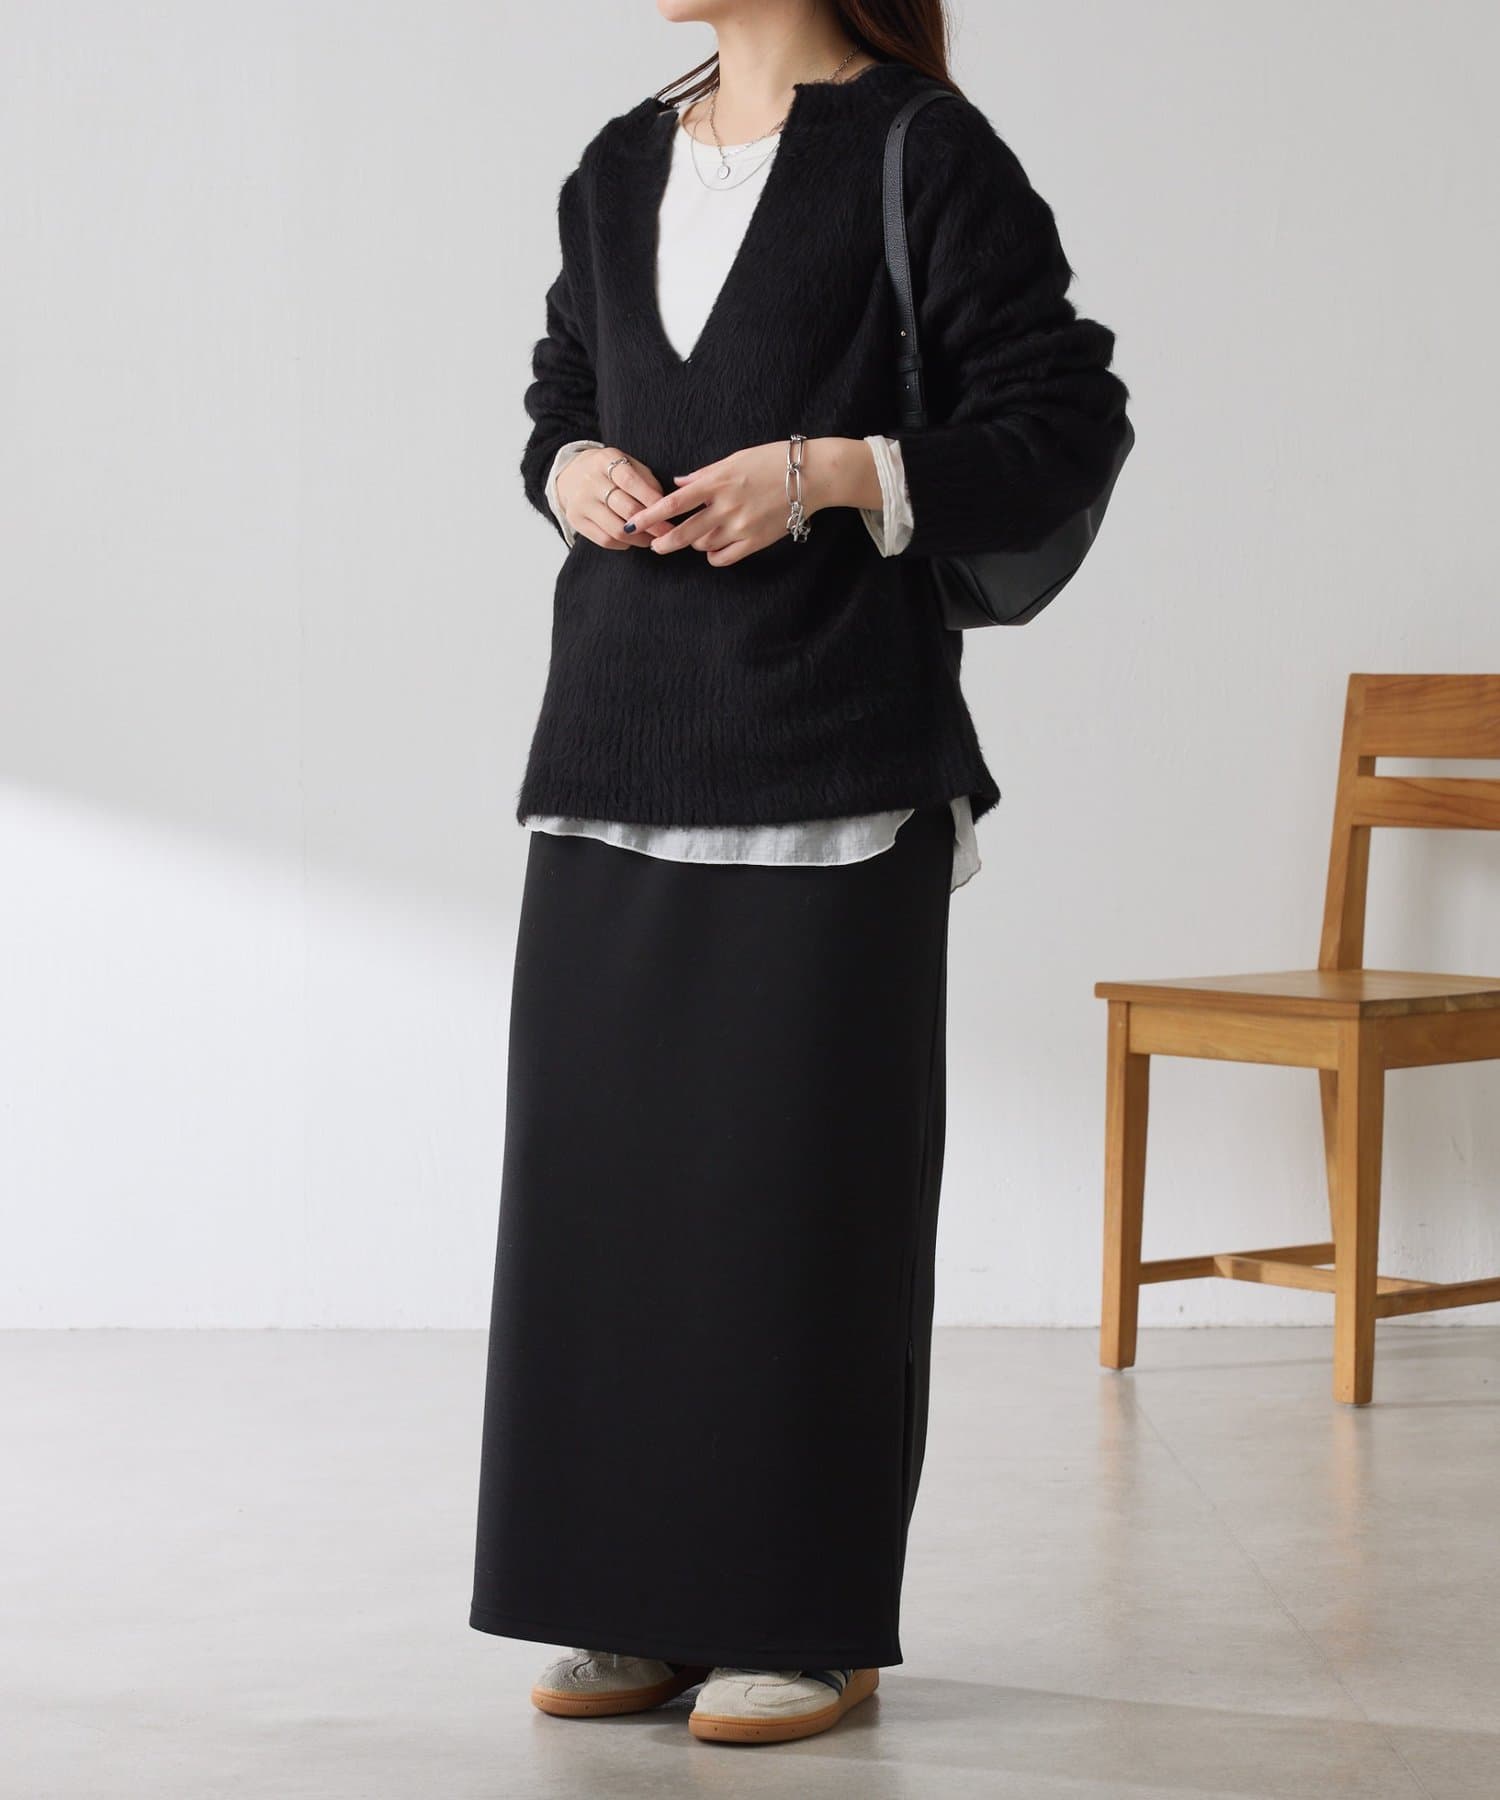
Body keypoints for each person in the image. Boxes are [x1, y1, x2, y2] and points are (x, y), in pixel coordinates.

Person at [470, 0, 1130, 1748]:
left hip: (831, 756)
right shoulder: (617, 163)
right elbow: (558, 393)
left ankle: (799, 1619)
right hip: (614, 749)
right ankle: (622, 1596)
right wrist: (568, 467)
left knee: (796, 1212)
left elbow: (1064, 423)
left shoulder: (922, 151)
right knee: (605, 1211)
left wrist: (836, 474)